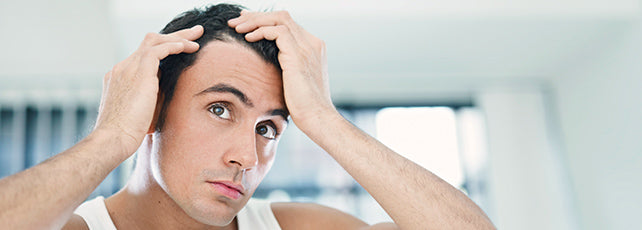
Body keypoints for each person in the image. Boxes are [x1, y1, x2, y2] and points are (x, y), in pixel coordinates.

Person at [0, 3, 495, 229]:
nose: (247, 156)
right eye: (220, 109)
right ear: (153, 108)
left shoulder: (294, 227)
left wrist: (323, 118)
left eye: (268, 128)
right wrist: (111, 136)